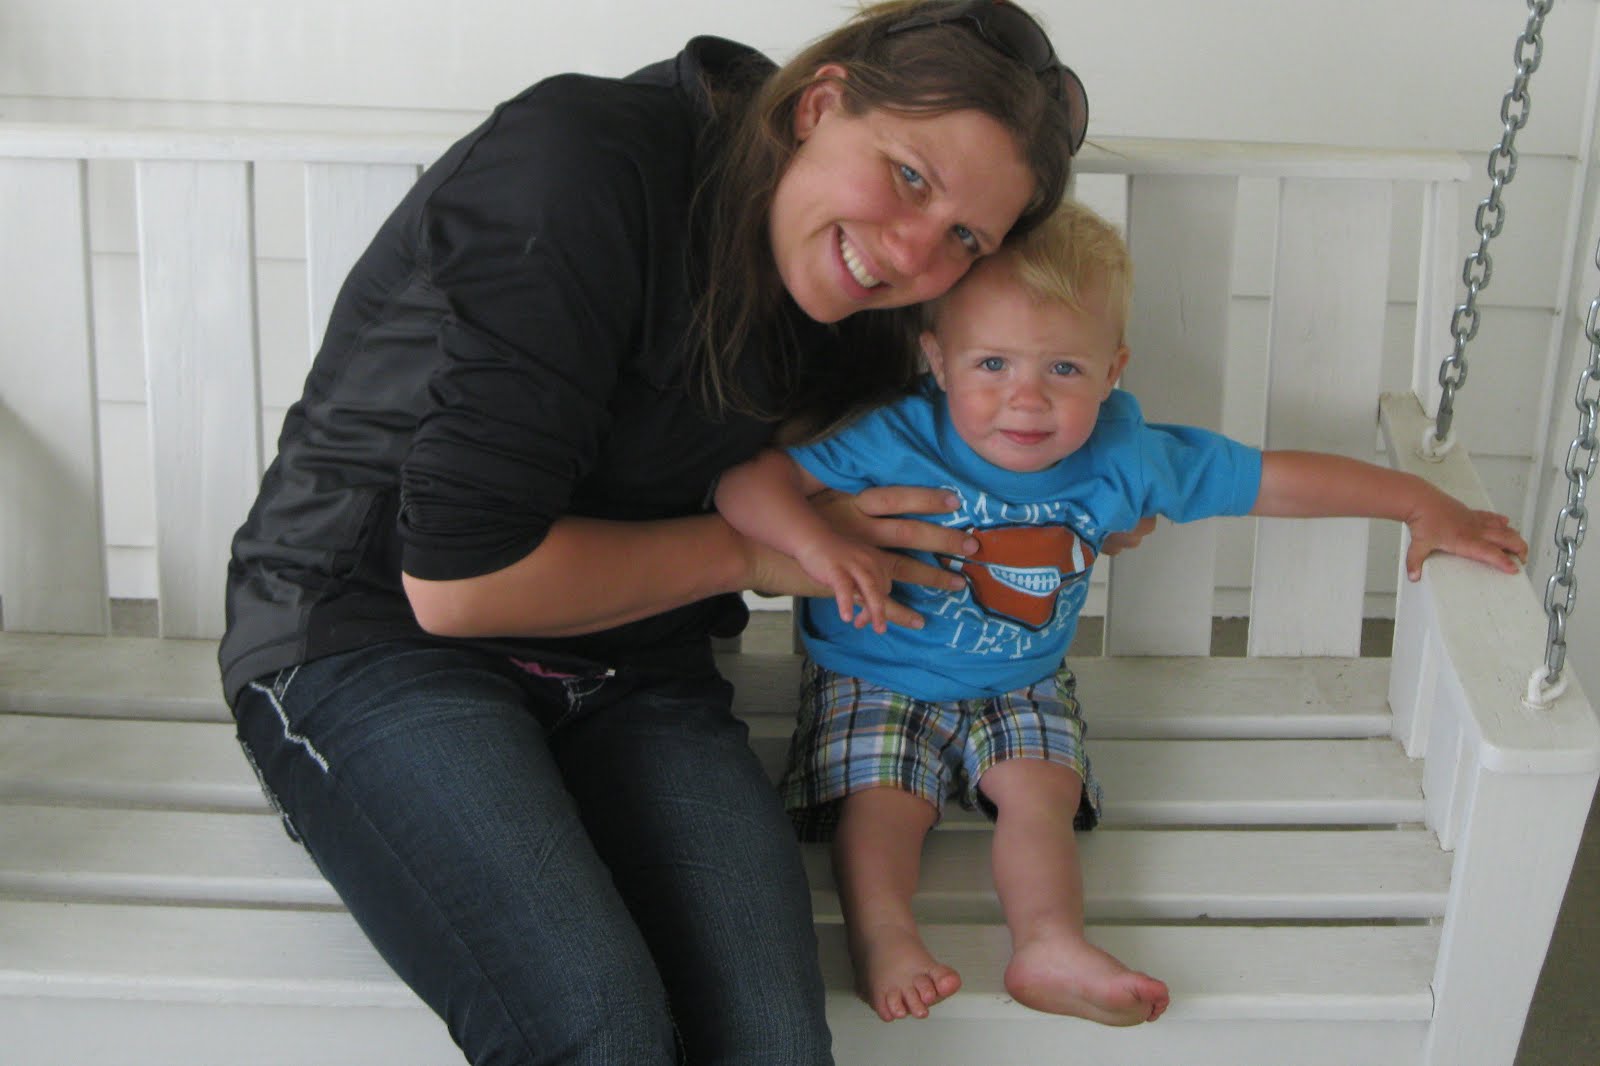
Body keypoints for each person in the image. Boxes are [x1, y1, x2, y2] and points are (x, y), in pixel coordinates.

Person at [218, 2, 1098, 1063]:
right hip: (369, 632)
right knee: (605, 1027)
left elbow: (901, 452)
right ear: (819, 105)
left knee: (772, 1042)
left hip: (638, 660)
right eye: (910, 175)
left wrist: (1071, 490)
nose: (914, 251)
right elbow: (459, 585)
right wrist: (757, 556)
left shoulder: (859, 300)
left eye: (965, 236)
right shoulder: (582, 164)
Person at [713, 198, 1530, 1027]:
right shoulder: (898, 438)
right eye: (992, 363)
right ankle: (886, 939)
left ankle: (1049, 944)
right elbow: (748, 483)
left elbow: (1271, 480)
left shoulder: (1124, 455)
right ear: (938, 360)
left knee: (1042, 796)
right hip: (877, 672)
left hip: (1022, 681)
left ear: (1112, 372)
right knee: (884, 802)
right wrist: (816, 545)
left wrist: (1418, 502)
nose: (1026, 400)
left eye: (1063, 370)